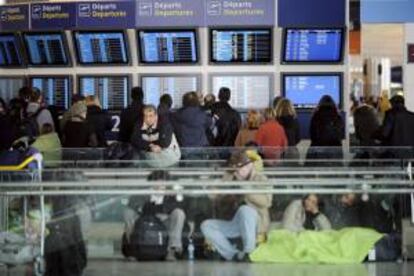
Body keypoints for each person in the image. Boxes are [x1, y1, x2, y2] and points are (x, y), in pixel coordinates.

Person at [201, 150, 272, 261]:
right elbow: (213, 196)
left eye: (240, 167)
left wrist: (246, 187)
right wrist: (218, 184)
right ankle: (232, 254)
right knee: (206, 225)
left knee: (245, 210)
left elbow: (267, 201)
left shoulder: (261, 178)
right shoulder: (230, 176)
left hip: (255, 223)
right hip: (234, 222)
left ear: (250, 165)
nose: (238, 170)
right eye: (235, 167)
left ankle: (249, 252)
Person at [123, 170, 186, 261]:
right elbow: (134, 205)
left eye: (163, 182)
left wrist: (153, 208)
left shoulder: (172, 194)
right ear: (151, 182)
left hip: (163, 223)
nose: (160, 184)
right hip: (144, 222)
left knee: (179, 213)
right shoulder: (144, 192)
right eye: (157, 181)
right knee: (128, 212)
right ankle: (133, 248)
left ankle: (172, 250)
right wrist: (156, 210)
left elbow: (177, 207)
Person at [307, 95, 344, 161]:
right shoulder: (338, 117)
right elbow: (341, 135)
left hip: (318, 150)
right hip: (335, 150)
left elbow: (312, 135)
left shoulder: (316, 116)